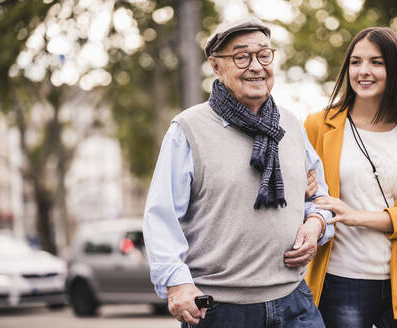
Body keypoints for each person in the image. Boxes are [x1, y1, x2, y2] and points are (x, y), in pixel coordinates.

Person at [143, 17, 334, 327]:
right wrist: (176, 283)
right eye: (241, 56)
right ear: (216, 67)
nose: (256, 66)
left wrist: (315, 226)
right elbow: (161, 217)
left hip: (294, 303)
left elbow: (321, 199)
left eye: (263, 55)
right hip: (221, 310)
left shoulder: (291, 126)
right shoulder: (188, 129)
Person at [303, 27, 397, 327]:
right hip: (340, 281)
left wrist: (356, 216)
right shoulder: (318, 125)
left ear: (394, 69)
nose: (363, 71)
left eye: (376, 62)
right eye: (355, 62)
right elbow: (303, 198)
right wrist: (302, 190)